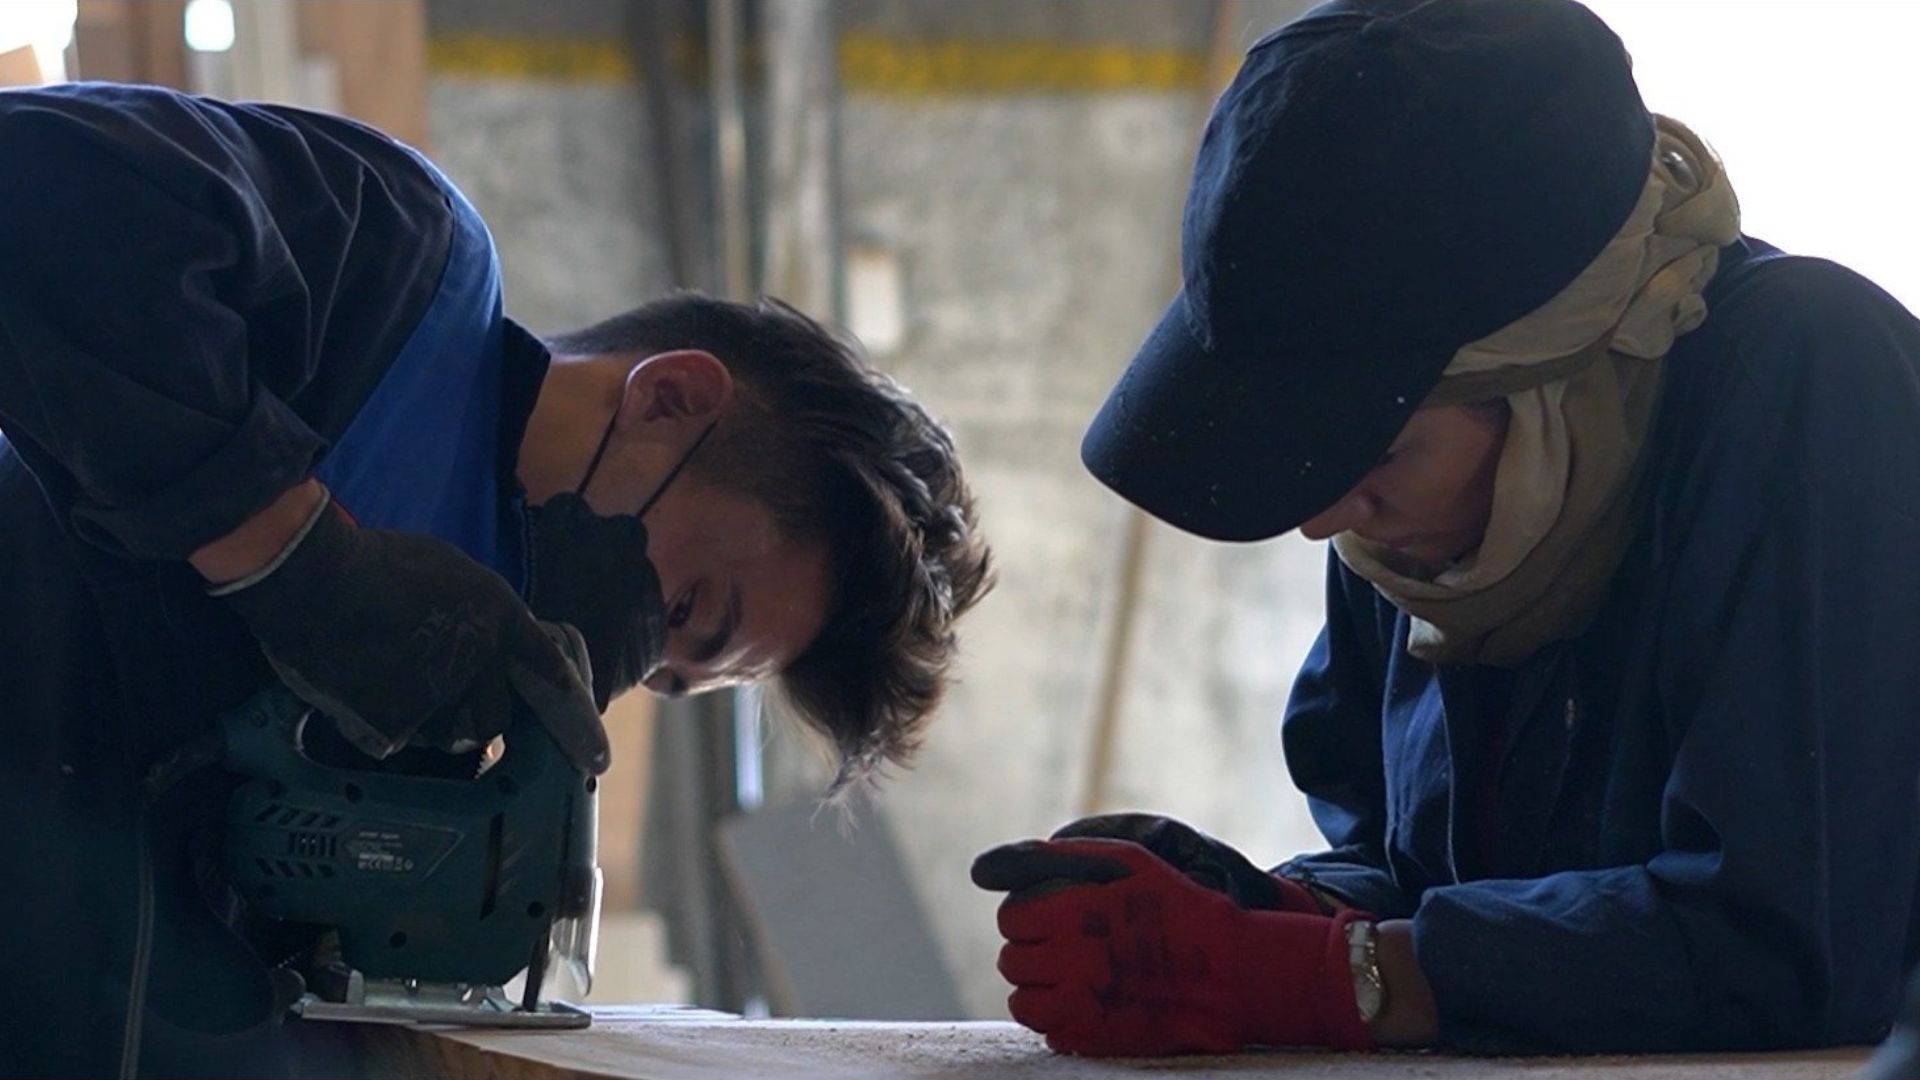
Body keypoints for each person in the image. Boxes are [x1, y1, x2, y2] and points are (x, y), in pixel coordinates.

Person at [973, 0, 1920, 1059]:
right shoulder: (1434, 514)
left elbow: (1799, 944)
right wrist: (1268, 911)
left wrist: (1327, 977)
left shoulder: (1813, 380)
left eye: (1368, 459)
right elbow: (1413, 870)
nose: (1323, 520)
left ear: (1564, 373)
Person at [0, 82, 991, 1079]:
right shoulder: (403, 273)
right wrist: (293, 555)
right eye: (683, 606)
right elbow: (40, 179)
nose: (627, 645)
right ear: (669, 400)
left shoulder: (431, 727)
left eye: (662, 671)